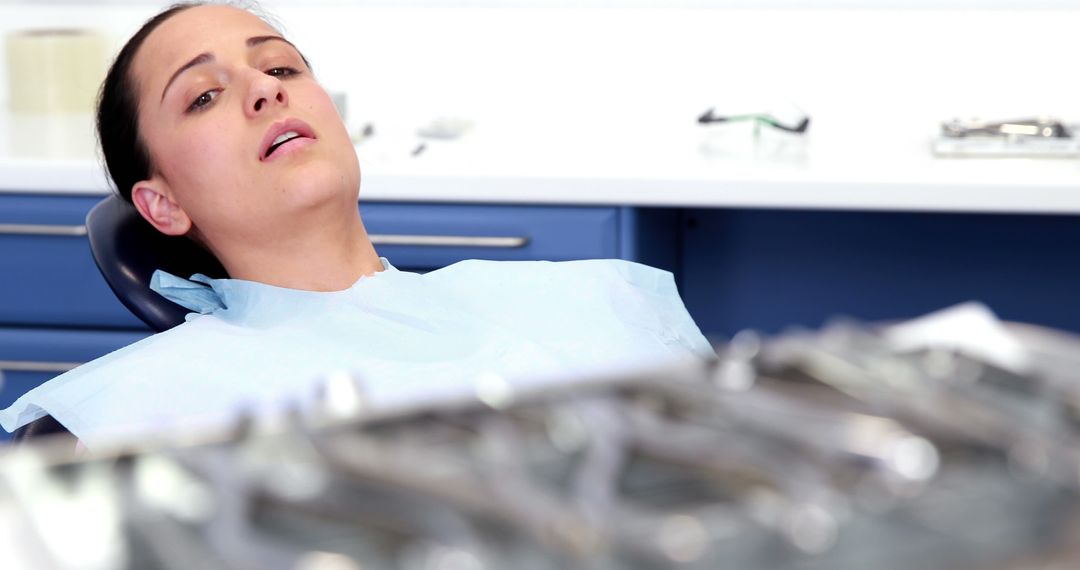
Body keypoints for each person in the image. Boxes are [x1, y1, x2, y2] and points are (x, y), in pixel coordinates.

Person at [0, 2, 713, 449]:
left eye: (281, 65)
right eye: (205, 95)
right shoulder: (124, 419)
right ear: (162, 206)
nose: (266, 87)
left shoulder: (592, 298)